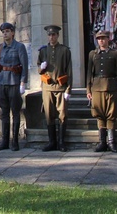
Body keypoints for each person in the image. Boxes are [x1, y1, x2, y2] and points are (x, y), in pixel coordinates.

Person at [86, 30, 117, 153]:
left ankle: (111, 142)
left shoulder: (115, 54)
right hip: (97, 87)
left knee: (111, 114)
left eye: (103, 38)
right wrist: (88, 89)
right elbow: (89, 73)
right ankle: (102, 142)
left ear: (108, 39)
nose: (101, 41)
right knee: (99, 113)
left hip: (111, 86)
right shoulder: (93, 54)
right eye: (99, 38)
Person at [37, 24, 73, 152]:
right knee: (49, 115)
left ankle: (61, 142)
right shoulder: (43, 51)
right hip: (47, 87)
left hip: (61, 87)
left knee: (62, 115)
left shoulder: (64, 50)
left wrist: (68, 89)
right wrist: (41, 67)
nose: (51, 37)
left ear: (58, 36)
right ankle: (52, 142)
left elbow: (69, 70)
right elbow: (38, 70)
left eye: (54, 35)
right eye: (49, 35)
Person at [0, 22, 28, 151]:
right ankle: (4, 141)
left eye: (7, 31)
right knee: (4, 113)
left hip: (14, 82)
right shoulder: (0, 47)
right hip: (2, 82)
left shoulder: (19, 47)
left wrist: (23, 82)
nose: (5, 34)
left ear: (12, 33)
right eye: (3, 32)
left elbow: (24, 65)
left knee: (15, 112)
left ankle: (15, 141)